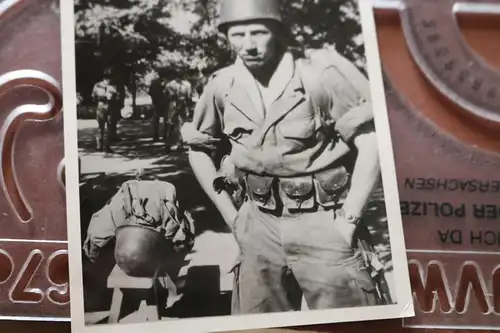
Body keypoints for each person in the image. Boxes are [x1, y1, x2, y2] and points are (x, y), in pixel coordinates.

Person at [182, 0, 383, 314]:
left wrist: (348, 222)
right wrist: (233, 219)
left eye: (258, 32)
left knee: (351, 319)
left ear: (276, 31)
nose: (248, 45)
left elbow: (371, 143)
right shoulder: (222, 85)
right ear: (226, 36)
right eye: (237, 35)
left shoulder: (321, 73)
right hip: (258, 224)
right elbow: (198, 149)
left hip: (324, 221)